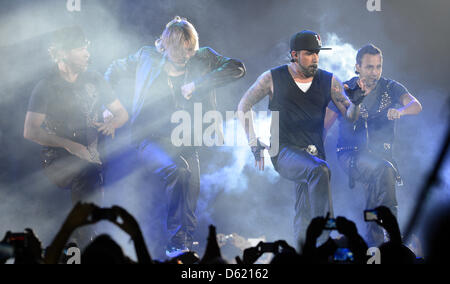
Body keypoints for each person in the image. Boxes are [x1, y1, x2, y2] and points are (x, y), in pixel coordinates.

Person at [105, 16, 245, 257]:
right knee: (178, 172)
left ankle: (184, 243)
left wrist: (199, 84)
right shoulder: (146, 57)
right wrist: (107, 105)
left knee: (192, 185)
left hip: (186, 140)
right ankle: (175, 241)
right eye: (181, 51)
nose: (186, 56)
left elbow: (237, 68)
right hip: (150, 139)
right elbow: (111, 71)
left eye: (190, 50)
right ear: (167, 45)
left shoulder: (203, 57)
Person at [238, 30, 361, 246]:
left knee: (304, 208)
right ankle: (326, 239)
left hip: (314, 153)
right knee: (318, 171)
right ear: (294, 55)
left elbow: (349, 116)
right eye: (309, 53)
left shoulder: (329, 81)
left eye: (317, 54)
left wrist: (357, 103)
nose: (315, 58)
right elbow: (243, 106)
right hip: (283, 150)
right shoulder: (272, 78)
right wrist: (253, 142)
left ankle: (304, 253)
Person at [23, 26, 129, 246]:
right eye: (80, 49)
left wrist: (112, 123)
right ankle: (86, 241)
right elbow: (31, 130)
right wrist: (70, 146)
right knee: (87, 174)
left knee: (97, 172)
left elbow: (122, 113)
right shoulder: (46, 86)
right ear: (63, 53)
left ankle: (89, 242)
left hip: (92, 155)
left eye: (86, 48)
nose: (87, 54)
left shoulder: (95, 79)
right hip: (57, 159)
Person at [324, 44, 422, 247]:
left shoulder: (390, 87)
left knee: (376, 191)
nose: (375, 72)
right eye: (369, 67)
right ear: (357, 67)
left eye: (378, 67)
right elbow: (324, 126)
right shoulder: (345, 89)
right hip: (351, 156)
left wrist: (401, 111)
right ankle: (394, 238)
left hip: (381, 157)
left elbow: (416, 105)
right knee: (384, 172)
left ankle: (374, 244)